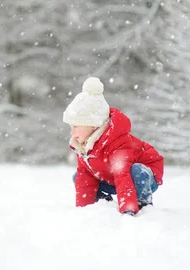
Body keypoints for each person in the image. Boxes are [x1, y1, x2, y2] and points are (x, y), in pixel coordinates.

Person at [63, 77, 164, 216]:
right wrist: (83, 211)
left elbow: (123, 175)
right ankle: (104, 203)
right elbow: (85, 177)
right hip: (112, 177)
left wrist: (128, 209)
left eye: (75, 126)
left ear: (93, 125)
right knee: (78, 176)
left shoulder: (117, 143)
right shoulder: (84, 144)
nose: (72, 131)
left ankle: (143, 203)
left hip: (144, 175)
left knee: (136, 171)